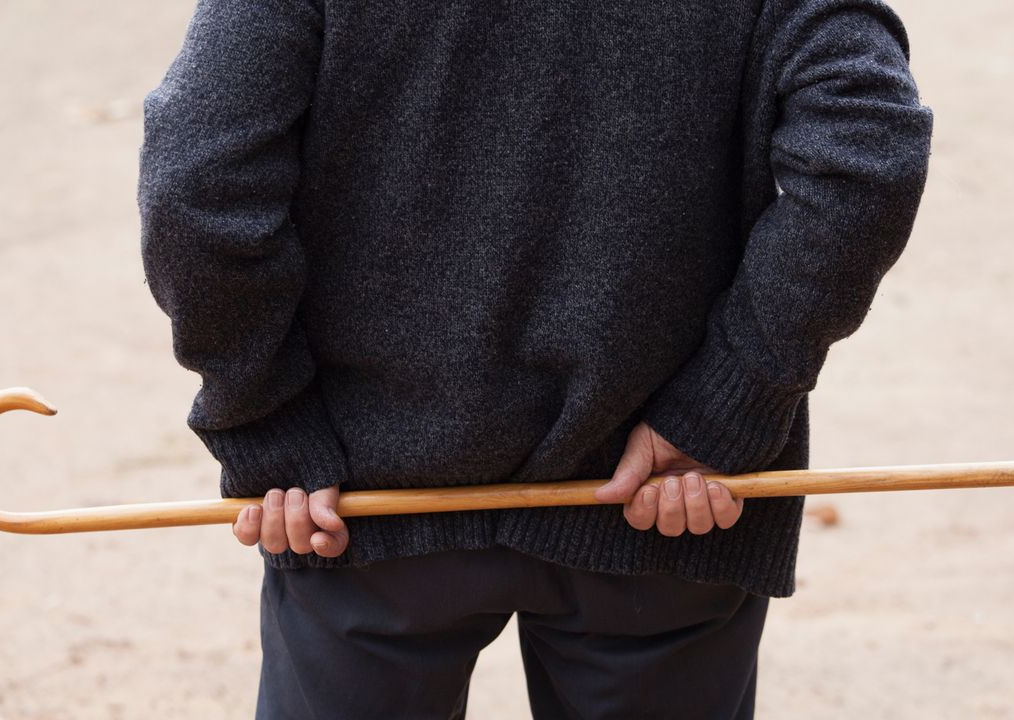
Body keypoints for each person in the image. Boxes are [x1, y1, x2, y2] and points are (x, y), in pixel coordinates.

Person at [138, 0, 932, 717]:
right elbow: (869, 149)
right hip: (652, 498)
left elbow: (195, 176)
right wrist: (729, 399)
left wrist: (266, 414)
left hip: (384, 502)